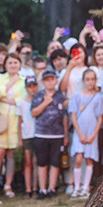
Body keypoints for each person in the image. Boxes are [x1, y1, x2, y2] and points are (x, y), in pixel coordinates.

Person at [0, 53, 26, 197]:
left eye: (15, 63)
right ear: (5, 65)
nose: (13, 65)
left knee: (11, 153)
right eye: (10, 63)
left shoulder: (24, 80)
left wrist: (6, 98)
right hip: (0, 119)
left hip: (15, 121)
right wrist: (11, 82)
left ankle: (8, 185)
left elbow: (22, 99)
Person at [31, 69, 67, 199]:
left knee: (55, 162)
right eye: (47, 80)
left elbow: (65, 117)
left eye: (52, 79)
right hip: (41, 134)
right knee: (42, 162)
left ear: (56, 81)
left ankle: (52, 188)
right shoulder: (39, 96)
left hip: (57, 135)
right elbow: (33, 112)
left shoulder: (60, 96)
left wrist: (66, 135)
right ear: (43, 82)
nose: (50, 82)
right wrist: (46, 103)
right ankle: (42, 189)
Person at [69, 69, 103, 198]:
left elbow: (99, 117)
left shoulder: (97, 97)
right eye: (88, 79)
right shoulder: (77, 96)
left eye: (92, 79)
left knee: (90, 159)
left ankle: (85, 187)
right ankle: (76, 187)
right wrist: (79, 133)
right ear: (83, 81)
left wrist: (93, 135)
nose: (90, 82)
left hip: (91, 131)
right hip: (80, 131)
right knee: (78, 158)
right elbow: (73, 116)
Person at [16, 76, 39, 197]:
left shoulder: (39, 101)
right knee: (28, 162)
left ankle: (35, 188)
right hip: (26, 135)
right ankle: (28, 188)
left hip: (38, 134)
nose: (32, 89)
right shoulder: (22, 103)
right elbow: (19, 122)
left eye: (34, 86)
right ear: (26, 88)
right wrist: (20, 139)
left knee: (36, 161)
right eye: (29, 87)